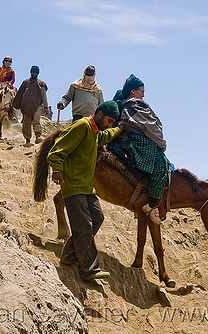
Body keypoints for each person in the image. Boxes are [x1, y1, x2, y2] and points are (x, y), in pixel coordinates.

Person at [47, 101, 122, 281]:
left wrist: (118, 130)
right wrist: (57, 168)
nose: (109, 125)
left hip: (87, 186)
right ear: (100, 114)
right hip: (73, 184)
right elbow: (56, 150)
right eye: (109, 121)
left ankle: (68, 255)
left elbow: (104, 136)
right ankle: (89, 269)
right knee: (83, 226)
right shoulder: (82, 126)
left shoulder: (95, 133)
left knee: (97, 218)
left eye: (112, 123)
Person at [116, 74, 168, 226]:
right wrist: (161, 143)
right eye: (141, 91)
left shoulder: (130, 105)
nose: (143, 94)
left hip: (135, 138)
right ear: (133, 91)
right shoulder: (134, 105)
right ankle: (151, 204)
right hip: (140, 140)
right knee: (161, 165)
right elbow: (149, 126)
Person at [13, 65, 48, 147]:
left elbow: (44, 96)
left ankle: (38, 136)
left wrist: (46, 107)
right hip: (26, 106)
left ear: (38, 73)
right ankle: (27, 140)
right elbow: (20, 94)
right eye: (33, 72)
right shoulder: (25, 82)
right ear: (31, 72)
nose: (34, 73)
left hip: (37, 105)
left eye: (36, 72)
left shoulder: (41, 84)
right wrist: (16, 105)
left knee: (37, 121)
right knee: (26, 123)